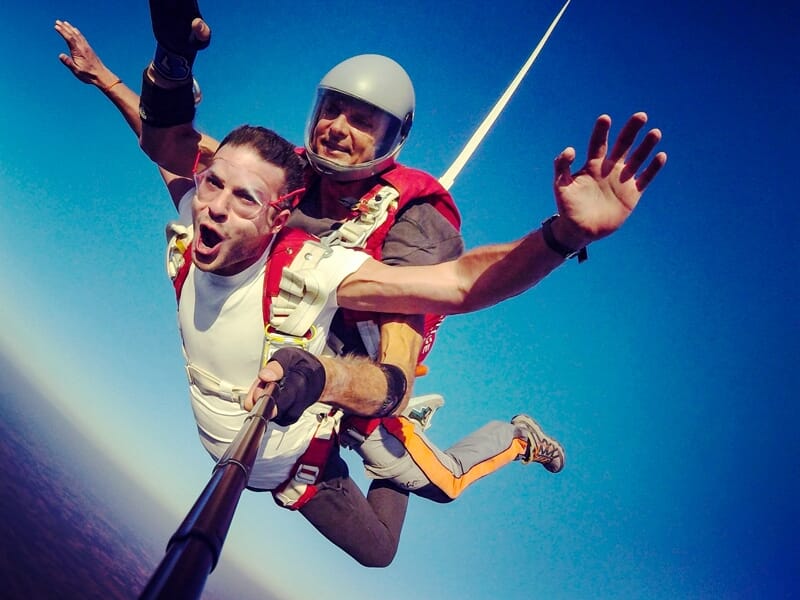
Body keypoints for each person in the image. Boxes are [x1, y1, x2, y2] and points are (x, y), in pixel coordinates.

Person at [54, 16, 667, 565]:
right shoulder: (282, 180)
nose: (336, 129)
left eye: (361, 120)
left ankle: (513, 438)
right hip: (300, 355)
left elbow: (451, 286)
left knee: (435, 485)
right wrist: (107, 76)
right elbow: (182, 151)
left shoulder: (412, 220)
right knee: (375, 543)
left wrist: (560, 237)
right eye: (332, 111)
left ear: (390, 138)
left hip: (370, 356)